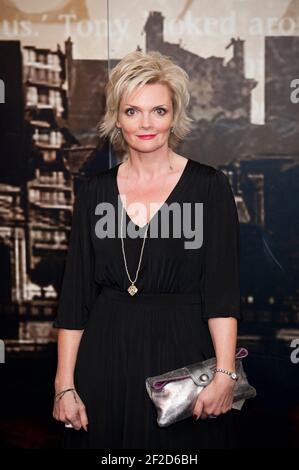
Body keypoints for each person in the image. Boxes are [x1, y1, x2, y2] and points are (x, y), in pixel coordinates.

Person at [52, 50, 242, 449]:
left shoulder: (209, 187)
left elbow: (221, 293)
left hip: (184, 359)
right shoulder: (95, 191)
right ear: (117, 117)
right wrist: (64, 385)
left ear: (174, 116)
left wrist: (225, 374)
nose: (146, 124)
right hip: (105, 357)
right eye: (133, 111)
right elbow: (75, 297)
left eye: (158, 110)